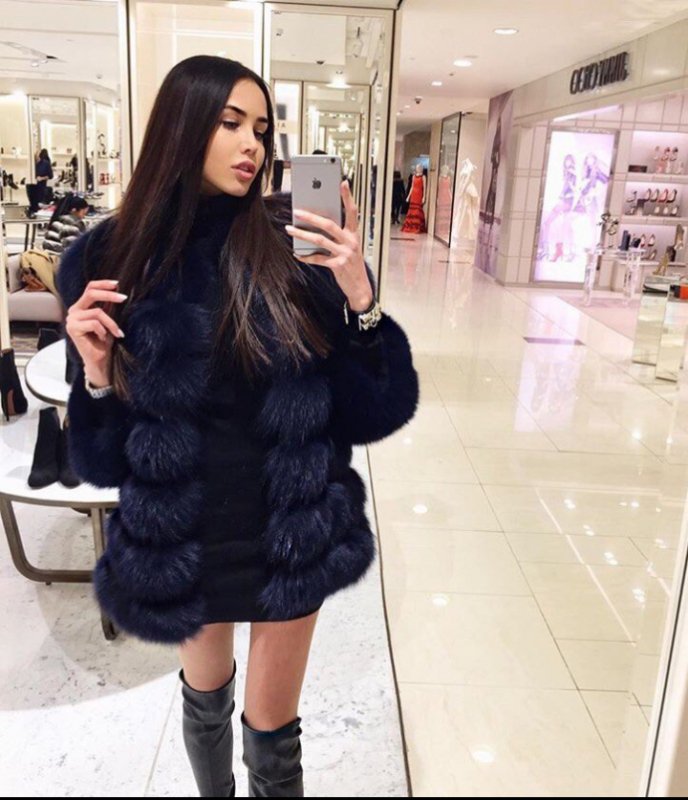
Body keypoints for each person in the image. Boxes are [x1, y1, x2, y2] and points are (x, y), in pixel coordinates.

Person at [56, 55, 418, 798]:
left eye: (261, 128)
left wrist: (361, 298)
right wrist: (93, 372)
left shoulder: (295, 244)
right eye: (230, 123)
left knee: (273, 735)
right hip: (185, 532)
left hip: (290, 528)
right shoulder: (111, 256)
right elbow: (98, 459)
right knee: (205, 700)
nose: (251, 144)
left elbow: (373, 411)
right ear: (182, 125)